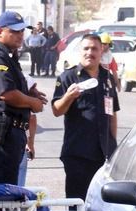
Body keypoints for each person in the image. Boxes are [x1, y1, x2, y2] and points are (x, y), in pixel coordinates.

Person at [0, 11, 46, 185]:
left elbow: (14, 88)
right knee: (1, 193)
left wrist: (30, 93)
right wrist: (33, 103)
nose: (20, 35)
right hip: (3, 131)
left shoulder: (9, 56)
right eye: (14, 31)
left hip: (11, 131)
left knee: (8, 187)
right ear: (0, 31)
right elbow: (7, 94)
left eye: (22, 31)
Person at [51, 33, 119, 200]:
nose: (90, 52)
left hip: (104, 153)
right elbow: (56, 110)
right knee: (77, 203)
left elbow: (112, 113)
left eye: (94, 49)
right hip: (78, 154)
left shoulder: (107, 77)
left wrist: (113, 145)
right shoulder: (68, 77)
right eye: (86, 48)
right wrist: (68, 97)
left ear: (101, 51)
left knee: (102, 203)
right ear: (80, 51)